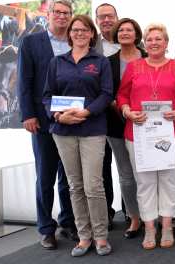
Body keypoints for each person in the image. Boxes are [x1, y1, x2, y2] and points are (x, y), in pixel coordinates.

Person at [43, 14, 113, 257]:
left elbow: (106, 94)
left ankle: (101, 236)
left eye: (84, 30)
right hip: (63, 131)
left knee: (94, 185)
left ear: (92, 34)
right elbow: (47, 95)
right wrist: (57, 116)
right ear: (69, 34)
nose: (80, 33)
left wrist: (86, 111)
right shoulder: (57, 62)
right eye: (75, 30)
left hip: (92, 129)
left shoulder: (100, 61)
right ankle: (84, 236)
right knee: (75, 186)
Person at [117, 23, 175, 250]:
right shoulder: (133, 67)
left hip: (172, 131)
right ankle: (149, 228)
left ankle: (166, 225)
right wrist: (127, 112)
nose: (154, 43)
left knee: (169, 179)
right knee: (145, 181)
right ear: (144, 43)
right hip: (138, 133)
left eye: (159, 39)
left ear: (166, 43)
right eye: (150, 39)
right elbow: (122, 96)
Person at [17, 0, 77, 250]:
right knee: (45, 177)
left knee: (69, 176)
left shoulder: (77, 40)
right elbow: (24, 81)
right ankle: (45, 229)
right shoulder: (31, 42)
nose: (62, 16)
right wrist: (27, 114)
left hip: (72, 119)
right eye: (58, 12)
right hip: (41, 121)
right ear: (49, 14)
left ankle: (68, 221)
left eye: (67, 13)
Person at [106, 18, 147, 238]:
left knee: (148, 172)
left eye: (129, 29)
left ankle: (153, 216)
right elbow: (105, 91)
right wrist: (122, 108)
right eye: (120, 30)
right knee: (126, 175)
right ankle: (134, 217)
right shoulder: (108, 62)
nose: (124, 33)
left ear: (136, 34)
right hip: (116, 123)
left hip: (147, 124)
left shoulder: (149, 57)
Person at [94, 3, 119, 227]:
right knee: (102, 168)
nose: (106, 20)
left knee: (129, 167)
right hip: (99, 115)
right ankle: (107, 213)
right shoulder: (91, 46)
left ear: (117, 17)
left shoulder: (134, 42)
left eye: (110, 16)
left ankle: (133, 213)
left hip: (125, 115)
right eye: (101, 17)